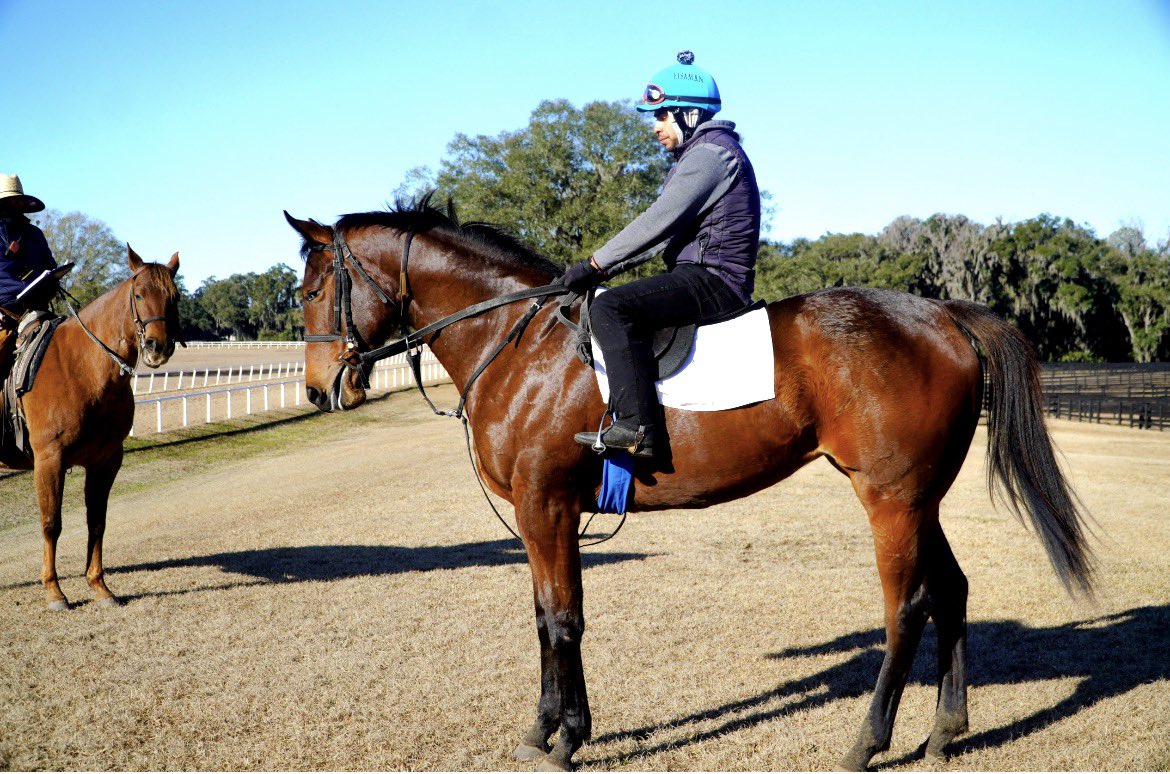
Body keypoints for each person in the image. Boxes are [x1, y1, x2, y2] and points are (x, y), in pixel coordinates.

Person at [564, 51, 761, 457]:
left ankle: (637, 428)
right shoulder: (699, 156)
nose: (655, 128)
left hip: (715, 279)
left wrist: (595, 264)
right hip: (702, 274)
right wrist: (599, 271)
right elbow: (657, 240)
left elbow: (657, 222)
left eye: (661, 117)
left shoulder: (710, 155)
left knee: (611, 309)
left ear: (688, 114)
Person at [0, 173, 58, 379]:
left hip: (37, 304)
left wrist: (53, 277)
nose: (15, 205)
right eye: (9, 200)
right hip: (3, 309)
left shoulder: (35, 234)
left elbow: (50, 265)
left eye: (18, 200)